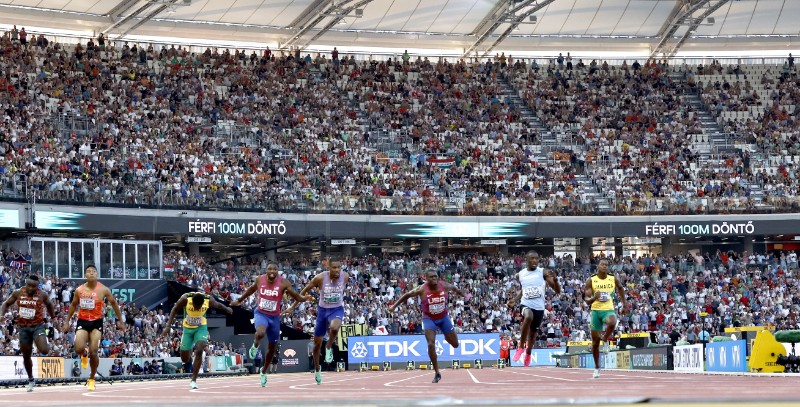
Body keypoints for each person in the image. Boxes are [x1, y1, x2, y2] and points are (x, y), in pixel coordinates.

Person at [231, 263, 310, 387]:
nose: (272, 271)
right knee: (260, 332)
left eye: (275, 269)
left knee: (272, 348)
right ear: (266, 270)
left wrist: (305, 298)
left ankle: (263, 372)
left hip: (274, 318)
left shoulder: (284, 283)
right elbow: (251, 290)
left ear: (278, 271)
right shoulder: (259, 279)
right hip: (261, 314)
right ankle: (255, 345)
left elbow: (296, 296)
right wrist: (240, 300)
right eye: (269, 269)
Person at [388, 269, 468, 383]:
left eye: (435, 276)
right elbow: (407, 295)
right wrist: (394, 306)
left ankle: (446, 335)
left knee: (455, 344)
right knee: (431, 344)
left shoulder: (444, 285)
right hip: (429, 319)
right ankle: (437, 372)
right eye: (431, 277)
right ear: (426, 279)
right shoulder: (421, 289)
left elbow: (456, 289)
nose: (434, 278)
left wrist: (464, 295)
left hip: (444, 318)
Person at [62, 265, 124, 391]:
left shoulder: (103, 289)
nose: (91, 273)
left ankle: (91, 378)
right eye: (88, 271)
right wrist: (67, 321)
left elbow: (114, 304)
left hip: (96, 322)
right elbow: (73, 305)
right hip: (83, 321)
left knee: (94, 351)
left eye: (93, 271)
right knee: (78, 348)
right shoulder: (79, 290)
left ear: (97, 274)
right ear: (85, 275)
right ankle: (84, 353)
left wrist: (120, 321)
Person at [287, 260, 348, 385]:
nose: (337, 270)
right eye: (334, 267)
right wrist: (293, 306)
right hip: (322, 311)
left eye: (339, 267)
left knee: (335, 327)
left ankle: (329, 347)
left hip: (336, 309)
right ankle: (317, 369)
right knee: (316, 345)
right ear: (329, 268)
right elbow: (303, 291)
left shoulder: (345, 276)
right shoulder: (320, 278)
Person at [163, 292, 233, 389]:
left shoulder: (208, 300)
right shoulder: (185, 299)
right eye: (195, 307)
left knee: (199, 350)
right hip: (187, 329)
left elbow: (218, 305)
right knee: (184, 359)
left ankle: (194, 380)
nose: (196, 309)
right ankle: (190, 350)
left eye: (199, 308)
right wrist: (168, 326)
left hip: (201, 328)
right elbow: (174, 309)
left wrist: (227, 309)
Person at [0, 274, 56, 392]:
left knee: (44, 350)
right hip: (23, 328)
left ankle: (43, 341)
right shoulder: (18, 292)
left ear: (38, 287)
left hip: (37, 326)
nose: (30, 288)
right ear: (25, 284)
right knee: (26, 356)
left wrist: (53, 318)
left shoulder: (42, 294)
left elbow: (50, 305)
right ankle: (31, 379)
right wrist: (1, 315)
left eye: (33, 286)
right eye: (28, 285)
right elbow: (6, 304)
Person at [507, 251, 561, 366]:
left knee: (532, 334)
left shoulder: (543, 272)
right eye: (532, 258)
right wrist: (515, 300)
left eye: (537, 259)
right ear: (526, 260)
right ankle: (520, 347)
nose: (535, 261)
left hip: (539, 308)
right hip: (526, 304)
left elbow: (557, 291)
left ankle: (528, 353)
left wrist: (555, 281)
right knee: (528, 316)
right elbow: (524, 290)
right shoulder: (520, 274)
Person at [583, 258, 627, 378]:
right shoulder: (591, 280)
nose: (604, 266)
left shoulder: (613, 278)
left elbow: (620, 288)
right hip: (596, 312)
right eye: (602, 264)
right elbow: (586, 300)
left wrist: (625, 304)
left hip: (608, 309)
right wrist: (593, 298)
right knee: (595, 343)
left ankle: (606, 338)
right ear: (598, 266)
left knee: (613, 321)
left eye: (606, 265)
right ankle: (597, 368)